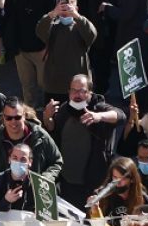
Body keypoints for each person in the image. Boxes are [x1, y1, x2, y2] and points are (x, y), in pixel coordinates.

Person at [43, 74, 123, 209]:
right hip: (67, 180)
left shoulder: (98, 107)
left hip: (91, 184)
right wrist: (47, 117)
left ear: (90, 93)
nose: (77, 94)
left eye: (82, 91)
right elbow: (53, 129)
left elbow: (120, 115)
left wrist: (98, 116)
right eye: (73, 90)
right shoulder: (65, 109)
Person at [2, 0, 59, 110]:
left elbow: (55, 18)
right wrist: (3, 40)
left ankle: (48, 114)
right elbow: (6, 16)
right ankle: (31, 115)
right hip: (21, 49)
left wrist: (50, 45)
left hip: (42, 49)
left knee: (45, 85)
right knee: (28, 87)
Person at [35, 0, 97, 101]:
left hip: (79, 87)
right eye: (62, 6)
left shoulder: (80, 26)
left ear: (76, 8)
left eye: (69, 6)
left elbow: (92, 34)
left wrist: (77, 16)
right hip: (54, 85)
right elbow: (39, 31)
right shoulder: (52, 26)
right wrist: (53, 14)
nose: (65, 10)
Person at [86, 156, 146, 224]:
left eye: (122, 178)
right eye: (115, 177)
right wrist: (92, 210)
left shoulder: (142, 199)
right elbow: (89, 224)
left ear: (132, 179)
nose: (118, 182)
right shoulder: (101, 195)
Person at [0, 142, 38, 215]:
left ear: (30, 162)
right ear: (9, 159)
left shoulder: (38, 185)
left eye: (23, 159)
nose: (18, 162)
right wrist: (6, 201)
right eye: (15, 158)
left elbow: (47, 215)